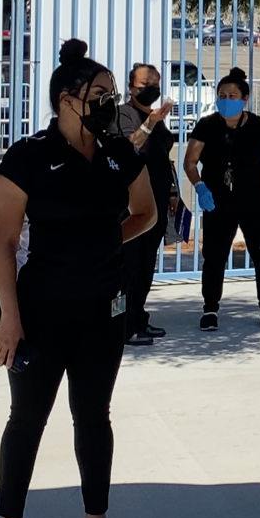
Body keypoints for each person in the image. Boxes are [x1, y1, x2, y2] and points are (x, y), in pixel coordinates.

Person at [0, 39, 156, 518]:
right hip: (39, 313)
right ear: (67, 99)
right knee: (26, 420)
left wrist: (105, 239)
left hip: (102, 313)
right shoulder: (28, 157)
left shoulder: (119, 153)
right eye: (100, 95)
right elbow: (2, 244)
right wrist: (9, 320)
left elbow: (145, 213)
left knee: (94, 418)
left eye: (111, 94)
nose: (110, 104)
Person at [183, 67, 260, 331]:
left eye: (232, 95)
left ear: (244, 99)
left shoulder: (257, 125)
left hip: (253, 200)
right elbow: (190, 162)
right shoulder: (207, 125)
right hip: (218, 201)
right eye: (222, 95)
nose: (226, 100)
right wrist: (199, 186)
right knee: (215, 256)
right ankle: (210, 309)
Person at [119, 63, 178, 346]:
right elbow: (131, 146)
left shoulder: (156, 117)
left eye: (155, 84)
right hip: (132, 207)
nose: (151, 89)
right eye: (145, 85)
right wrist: (151, 122)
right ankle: (125, 325)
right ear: (131, 88)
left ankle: (139, 319)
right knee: (129, 268)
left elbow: (162, 157)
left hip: (156, 203)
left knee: (145, 267)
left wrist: (172, 191)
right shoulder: (124, 115)